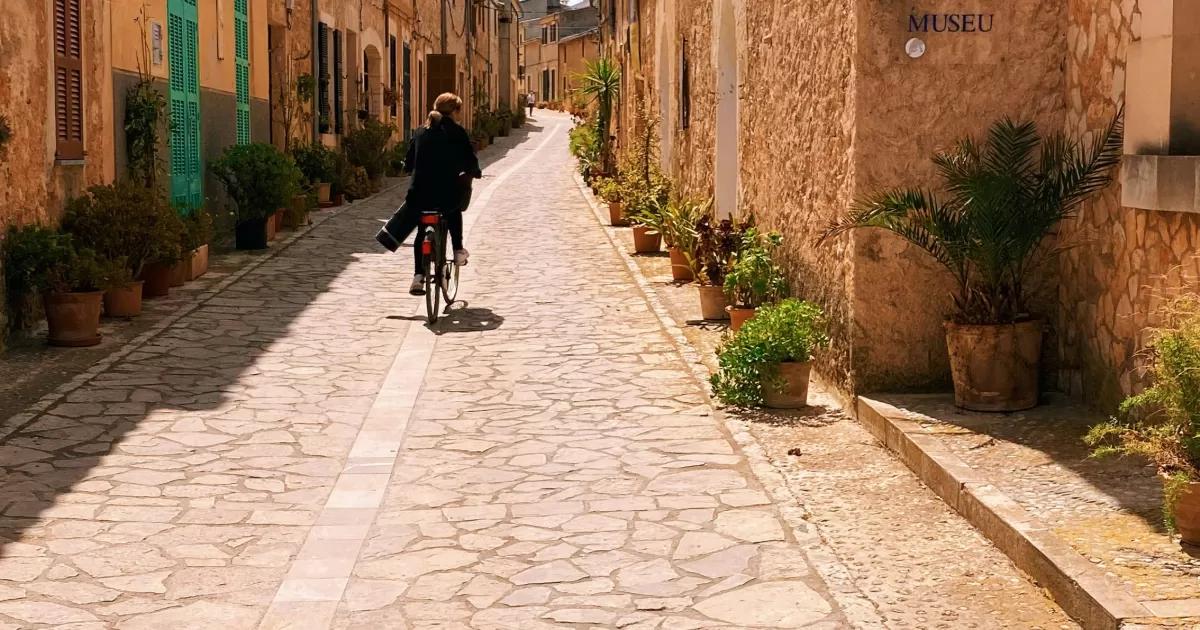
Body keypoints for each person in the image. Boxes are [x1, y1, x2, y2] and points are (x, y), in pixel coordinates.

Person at [374, 93, 481, 295]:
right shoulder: (457, 132)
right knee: (454, 209)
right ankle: (458, 250)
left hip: (419, 194)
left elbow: (409, 162)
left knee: (422, 230)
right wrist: (475, 171)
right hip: (446, 194)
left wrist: (408, 168)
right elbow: (469, 159)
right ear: (455, 112)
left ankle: (418, 276)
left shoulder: (421, 131)